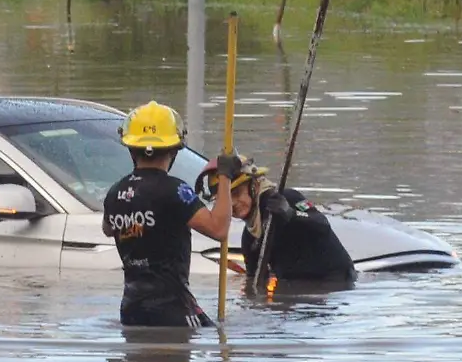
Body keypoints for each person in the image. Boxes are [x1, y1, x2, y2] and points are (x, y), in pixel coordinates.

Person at [103, 102, 238, 328]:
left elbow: (108, 229)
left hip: (131, 309)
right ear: (174, 149)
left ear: (130, 148)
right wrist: (225, 177)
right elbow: (219, 229)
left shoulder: (115, 192)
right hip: (173, 308)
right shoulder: (175, 190)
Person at [226, 157, 355, 287]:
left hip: (335, 280)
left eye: (237, 194)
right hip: (297, 289)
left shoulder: (288, 198)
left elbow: (322, 224)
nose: (232, 203)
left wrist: (291, 214)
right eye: (226, 198)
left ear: (254, 186)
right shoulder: (249, 239)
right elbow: (254, 283)